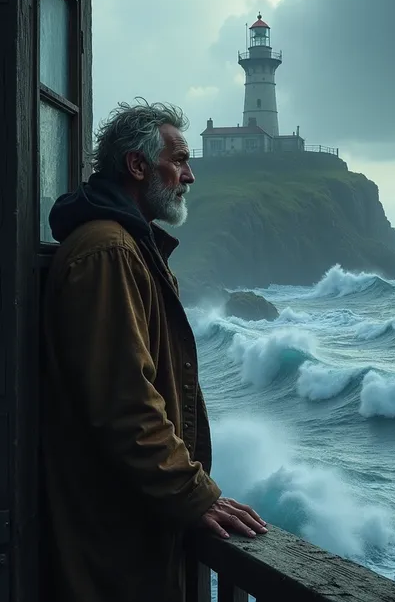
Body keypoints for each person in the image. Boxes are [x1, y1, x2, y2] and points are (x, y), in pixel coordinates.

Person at [41, 100, 267, 602]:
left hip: (126, 521)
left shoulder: (123, 245)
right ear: (138, 166)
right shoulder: (110, 252)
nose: (189, 175)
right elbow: (124, 402)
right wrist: (192, 493)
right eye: (180, 160)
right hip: (116, 535)